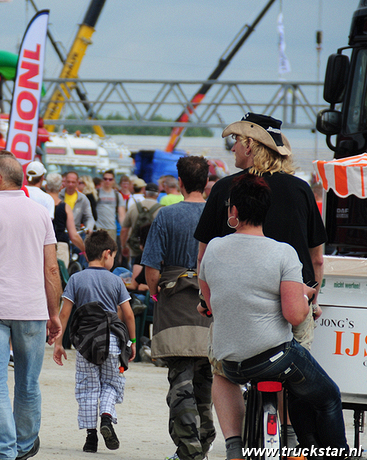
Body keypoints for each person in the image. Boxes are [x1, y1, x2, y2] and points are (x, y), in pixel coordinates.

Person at [194, 113, 327, 460]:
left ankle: (234, 444)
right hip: (294, 303)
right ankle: (290, 434)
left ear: (250, 144)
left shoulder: (226, 188)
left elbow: (203, 258)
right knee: (294, 365)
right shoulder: (300, 189)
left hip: (236, 311)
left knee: (222, 371)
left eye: (236, 140)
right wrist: (313, 298)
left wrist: (207, 301)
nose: (233, 147)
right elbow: (317, 259)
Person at [198, 174, 349, 457]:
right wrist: (305, 297)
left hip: (230, 361)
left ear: (234, 211)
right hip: (274, 358)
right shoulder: (283, 253)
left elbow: (211, 300)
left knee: (226, 377)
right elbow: (293, 315)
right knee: (328, 397)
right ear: (265, 209)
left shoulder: (214, 248)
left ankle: (234, 447)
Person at [0, 154, 62, 460]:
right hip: (31, 309)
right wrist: (53, 312)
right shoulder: (40, 213)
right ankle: (24, 444)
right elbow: (52, 269)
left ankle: (4, 449)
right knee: (28, 382)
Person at [141, 156, 214, 460]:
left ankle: (189, 448)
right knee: (206, 378)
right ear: (206, 182)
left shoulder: (166, 215)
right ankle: (204, 441)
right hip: (209, 303)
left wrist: (157, 293)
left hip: (174, 301)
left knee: (180, 377)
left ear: (180, 182)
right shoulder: (219, 216)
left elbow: (151, 268)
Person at [53, 231, 136, 453]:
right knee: (112, 383)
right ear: (107, 253)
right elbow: (128, 315)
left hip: (86, 343)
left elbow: (64, 314)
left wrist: (58, 343)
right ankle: (106, 417)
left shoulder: (76, 279)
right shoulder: (116, 280)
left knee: (88, 386)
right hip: (111, 341)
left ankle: (91, 438)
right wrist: (133, 341)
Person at [44, 173, 84, 268]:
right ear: (61, 187)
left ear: (46, 186)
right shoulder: (65, 207)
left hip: (42, 244)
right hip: (60, 245)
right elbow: (73, 235)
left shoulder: (39, 204)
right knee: (60, 276)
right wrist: (84, 249)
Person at [120, 182, 162, 265]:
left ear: (144, 192)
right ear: (158, 194)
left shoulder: (134, 207)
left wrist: (124, 246)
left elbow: (124, 229)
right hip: (154, 250)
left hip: (135, 247)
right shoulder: (162, 210)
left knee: (134, 272)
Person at [95, 170, 125, 241]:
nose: (107, 181)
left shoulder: (117, 195)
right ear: (102, 180)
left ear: (113, 181)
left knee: (110, 250)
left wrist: (124, 228)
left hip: (111, 228)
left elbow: (122, 215)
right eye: (105, 179)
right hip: (99, 227)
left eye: (110, 179)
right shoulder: (96, 193)